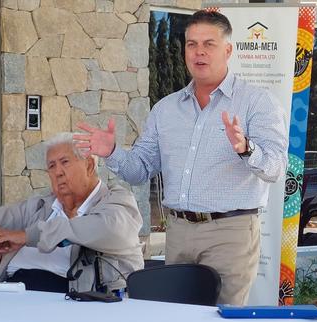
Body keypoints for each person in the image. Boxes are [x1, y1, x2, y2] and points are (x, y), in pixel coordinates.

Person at [74, 10, 288, 305]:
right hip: (178, 232)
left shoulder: (257, 102)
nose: (199, 52)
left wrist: (246, 148)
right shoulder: (166, 109)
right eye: (191, 44)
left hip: (230, 234)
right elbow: (140, 170)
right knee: (176, 319)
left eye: (208, 44)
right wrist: (112, 152)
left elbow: (276, 167)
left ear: (228, 50)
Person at [0, 133, 144, 293]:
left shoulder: (117, 201)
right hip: (8, 300)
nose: (58, 172)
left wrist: (26, 236)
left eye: (65, 162)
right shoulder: (40, 207)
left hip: (76, 309)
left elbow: (110, 230)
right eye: (52, 166)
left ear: (88, 165)